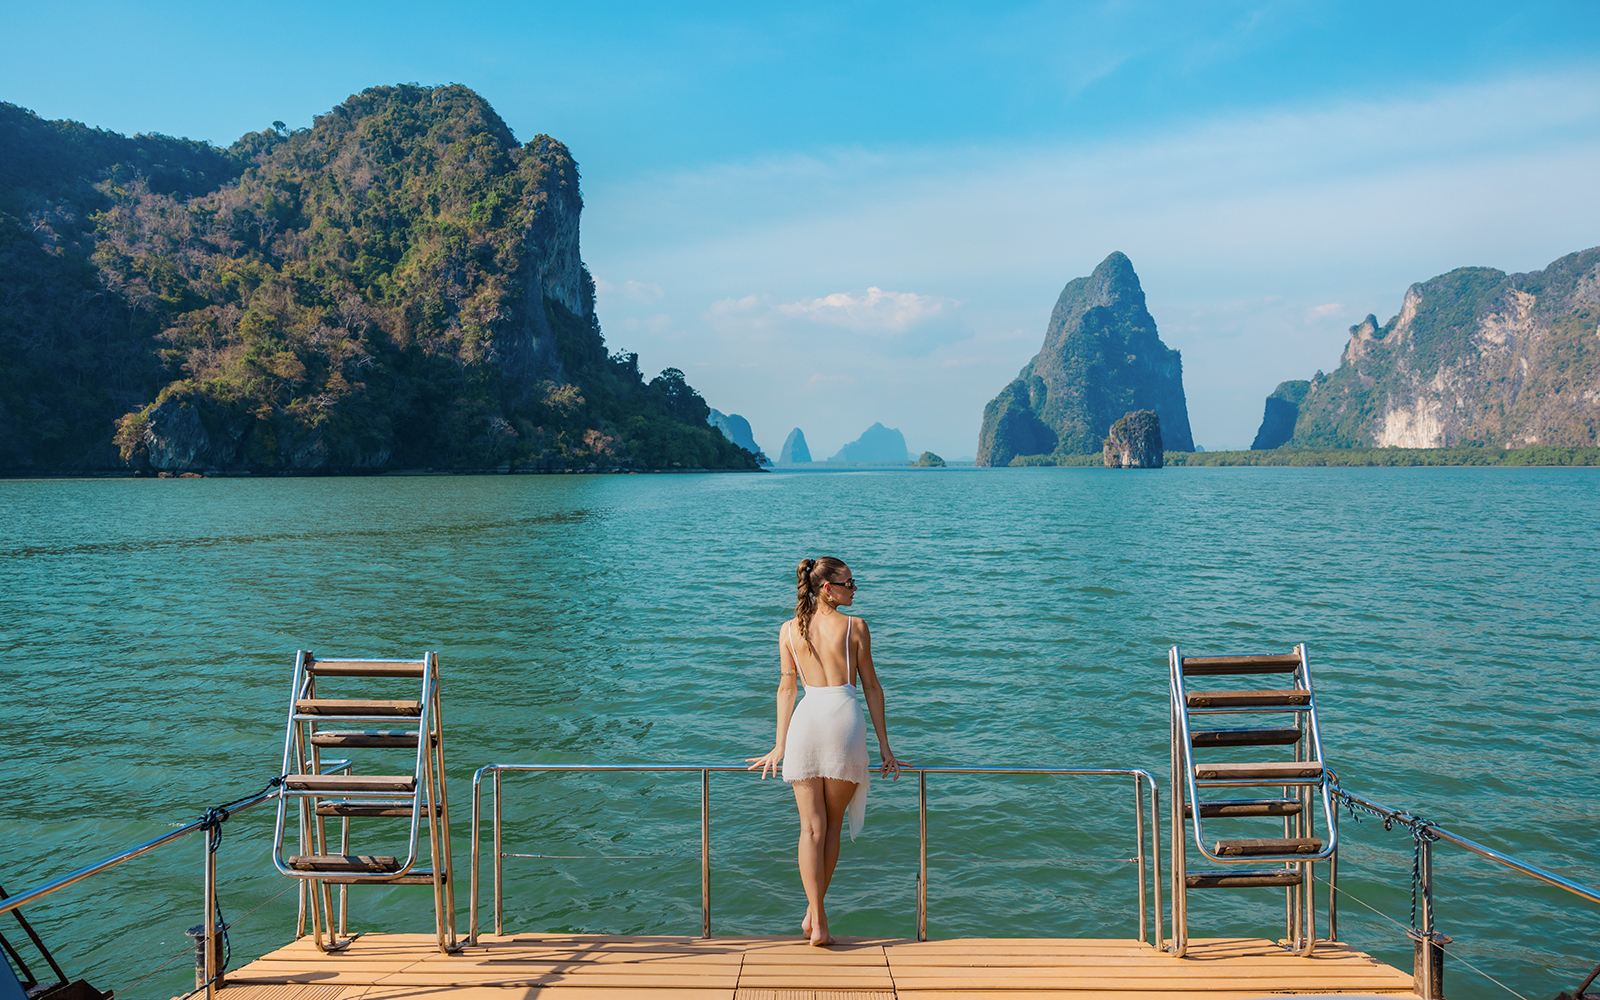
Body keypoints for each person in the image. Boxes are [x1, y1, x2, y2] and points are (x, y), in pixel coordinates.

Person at [746, 556, 904, 947]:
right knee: (831, 827)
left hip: (805, 724)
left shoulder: (788, 629)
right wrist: (885, 747)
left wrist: (780, 744)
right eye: (850, 583)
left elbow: (786, 689)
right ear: (827, 588)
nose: (855, 589)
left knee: (810, 829)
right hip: (843, 725)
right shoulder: (856, 627)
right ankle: (815, 916)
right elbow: (871, 688)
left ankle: (816, 918)